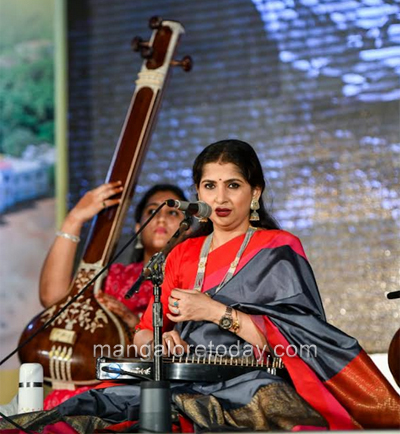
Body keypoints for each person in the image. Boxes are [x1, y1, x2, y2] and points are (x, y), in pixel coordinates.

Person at [2, 140, 399, 432]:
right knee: (74, 418)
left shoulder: (279, 248)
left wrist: (216, 312)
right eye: (210, 186)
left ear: (255, 192)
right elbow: (144, 334)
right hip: (180, 378)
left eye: (233, 185)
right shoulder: (181, 253)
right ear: (198, 194)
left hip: (252, 381)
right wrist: (159, 342)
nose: (220, 197)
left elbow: (296, 341)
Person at [40, 182, 188, 409]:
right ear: (139, 227)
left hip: (152, 392)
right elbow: (53, 298)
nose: (160, 219)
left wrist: (135, 324)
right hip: (94, 383)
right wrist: (74, 220)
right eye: (152, 211)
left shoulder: (192, 281)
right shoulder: (113, 276)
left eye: (172, 212)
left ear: (187, 228)